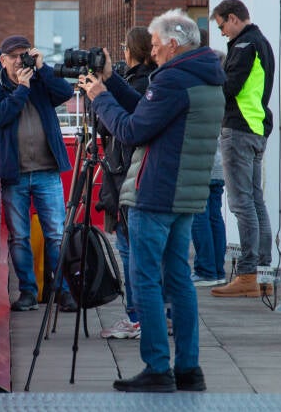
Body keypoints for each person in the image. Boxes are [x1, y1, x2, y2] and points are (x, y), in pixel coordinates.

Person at [78, 9, 225, 393]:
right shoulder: (205, 76)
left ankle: (158, 367)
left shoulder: (174, 80)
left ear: (173, 44)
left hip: (156, 193)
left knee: (144, 280)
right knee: (178, 280)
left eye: (157, 46)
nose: (153, 52)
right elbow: (149, 110)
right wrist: (110, 82)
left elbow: (131, 129)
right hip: (184, 195)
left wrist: (98, 98)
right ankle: (189, 369)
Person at [0, 34, 77, 312]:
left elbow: (65, 93)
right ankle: (27, 292)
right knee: (20, 236)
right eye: (13, 56)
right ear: (3, 60)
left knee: (56, 234)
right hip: (15, 174)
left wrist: (42, 69)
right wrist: (21, 89)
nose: (19, 61)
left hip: (47, 170)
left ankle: (62, 290)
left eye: (24, 55)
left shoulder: (40, 80)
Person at [208, 0, 275, 298]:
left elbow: (228, 87)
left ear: (233, 19)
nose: (222, 33)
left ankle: (248, 273)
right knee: (255, 201)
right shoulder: (263, 43)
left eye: (222, 25)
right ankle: (263, 273)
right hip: (257, 128)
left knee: (241, 203)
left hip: (239, 129)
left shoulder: (244, 45)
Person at [96, 26, 157, 339]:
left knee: (131, 250)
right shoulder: (153, 80)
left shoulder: (149, 83)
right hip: (130, 172)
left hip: (128, 173)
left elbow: (123, 126)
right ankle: (154, 316)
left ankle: (139, 318)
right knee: (143, 251)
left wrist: (101, 98)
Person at [190, 42, 228, 287]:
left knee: (199, 216)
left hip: (201, 162)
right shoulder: (224, 90)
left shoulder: (201, 90)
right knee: (215, 215)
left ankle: (205, 269)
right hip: (218, 163)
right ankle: (217, 269)